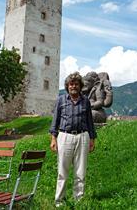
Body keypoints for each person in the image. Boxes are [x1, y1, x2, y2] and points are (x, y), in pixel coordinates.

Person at [49, 72, 96, 207]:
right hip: (64, 136)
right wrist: (53, 139)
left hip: (83, 137)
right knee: (62, 171)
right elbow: (55, 121)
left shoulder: (85, 101)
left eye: (76, 84)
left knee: (80, 171)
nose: (73, 86)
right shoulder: (61, 100)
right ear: (67, 86)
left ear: (80, 86)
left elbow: (90, 121)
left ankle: (79, 199)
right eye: (71, 84)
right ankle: (59, 200)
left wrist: (92, 139)